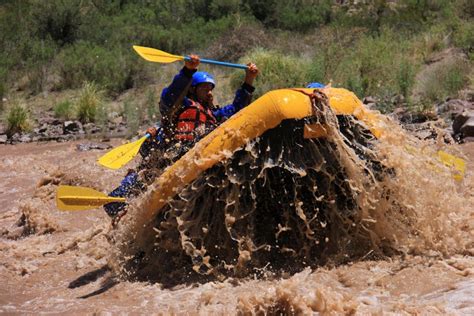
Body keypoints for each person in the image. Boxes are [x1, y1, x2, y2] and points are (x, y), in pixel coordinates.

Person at [104, 56, 259, 218]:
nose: (210, 93)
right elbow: (170, 95)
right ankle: (115, 202)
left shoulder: (213, 114)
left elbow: (236, 110)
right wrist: (188, 71)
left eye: (211, 88)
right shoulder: (180, 105)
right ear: (192, 90)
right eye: (205, 89)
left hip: (192, 156)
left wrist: (249, 80)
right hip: (170, 153)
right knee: (145, 176)